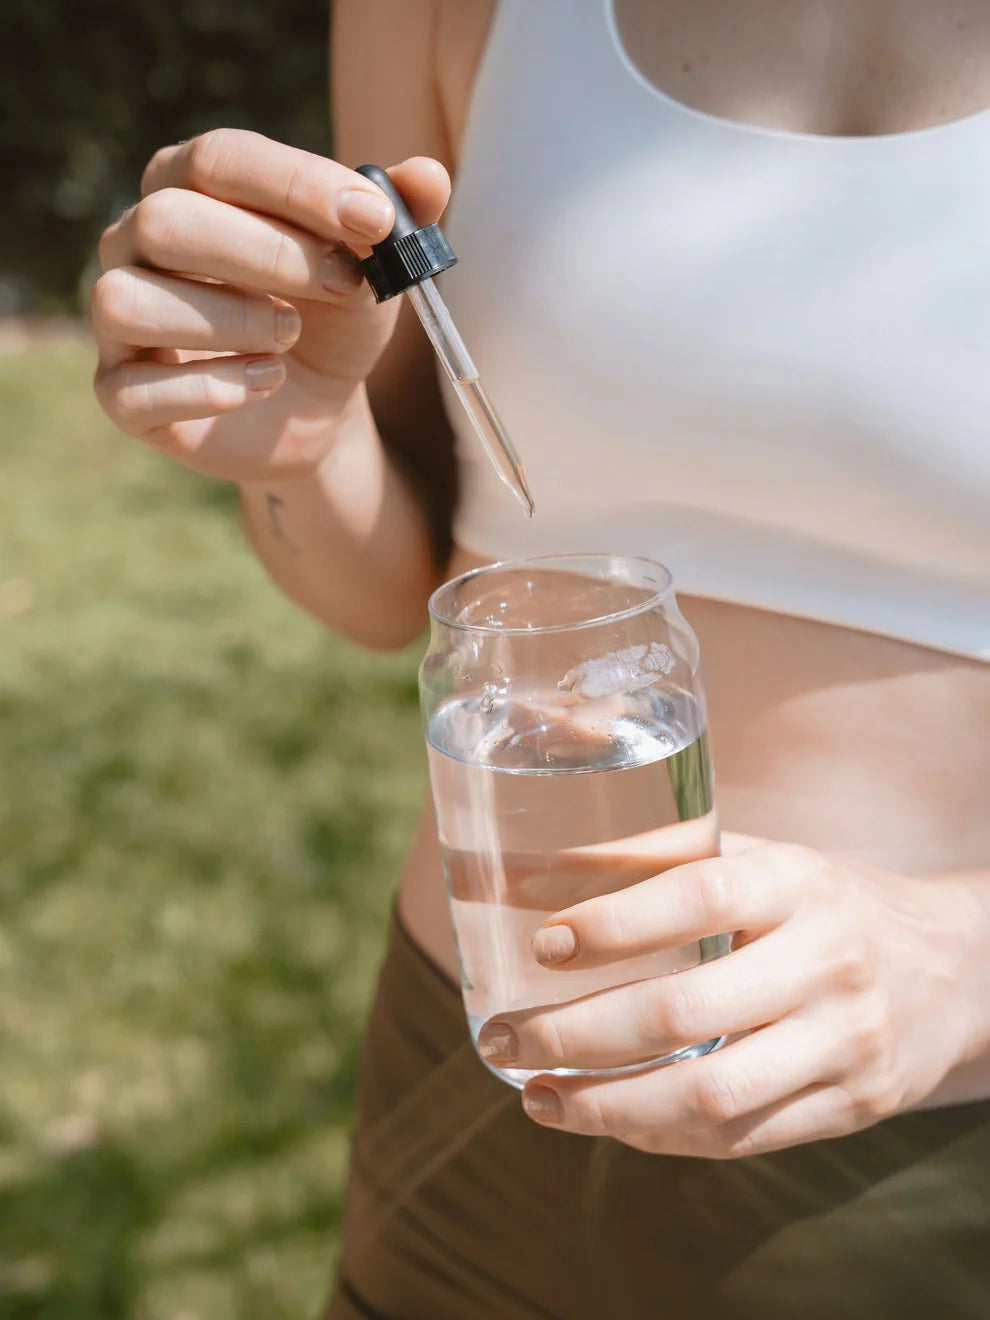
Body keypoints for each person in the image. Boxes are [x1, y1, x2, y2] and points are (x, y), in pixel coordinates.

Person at [91, 1, 990, 1315]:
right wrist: (293, 437)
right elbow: (389, 585)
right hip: (471, 1083)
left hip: (922, 1148)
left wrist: (958, 960)